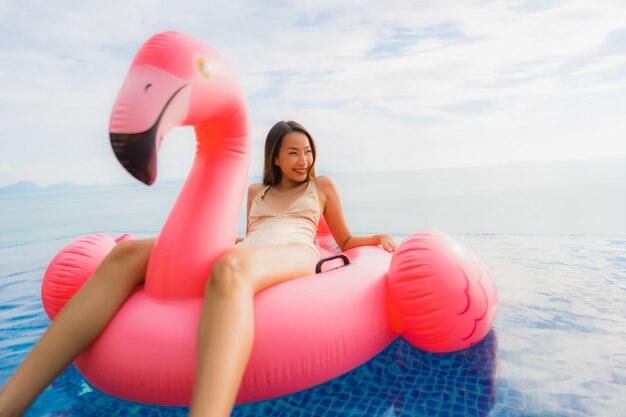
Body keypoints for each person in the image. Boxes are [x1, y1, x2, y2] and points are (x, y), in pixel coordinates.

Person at [0, 120, 397, 417]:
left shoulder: (322, 186)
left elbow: (343, 241)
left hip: (298, 251)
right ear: (275, 155)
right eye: (294, 152)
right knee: (129, 254)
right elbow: (251, 235)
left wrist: (375, 237)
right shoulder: (255, 192)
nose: (303, 160)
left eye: (308, 151)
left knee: (230, 268)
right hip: (254, 249)